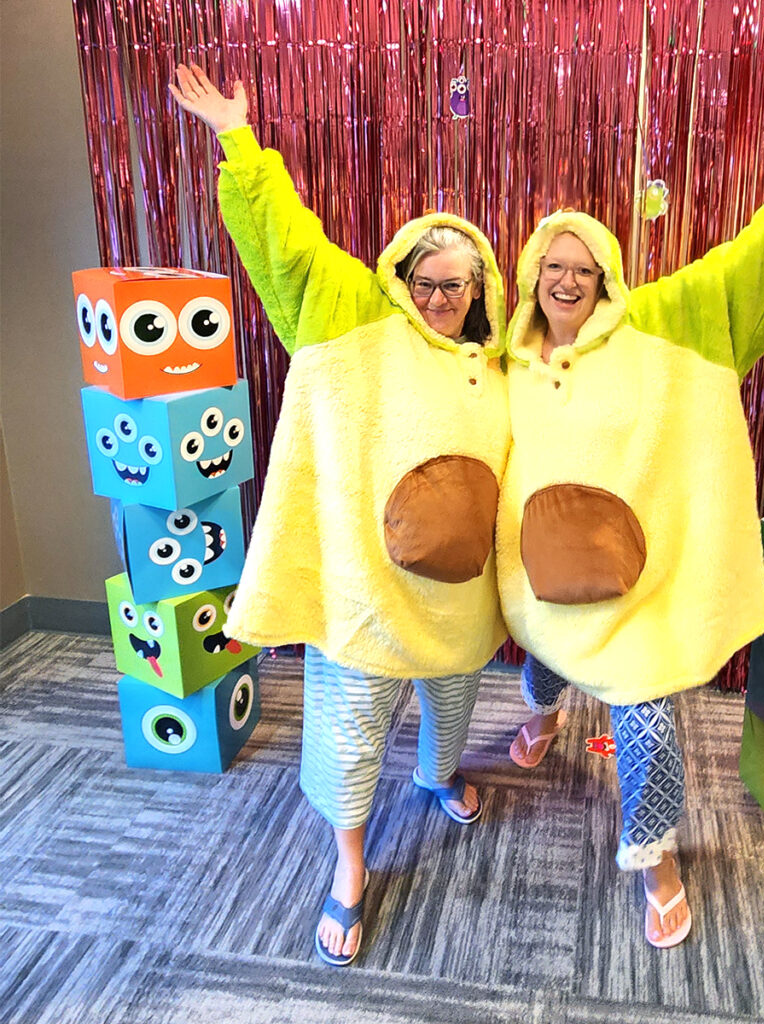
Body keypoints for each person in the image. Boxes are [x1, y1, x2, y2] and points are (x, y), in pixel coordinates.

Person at [498, 85, 764, 948]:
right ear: (531, 275)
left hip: (633, 582)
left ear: (604, 276)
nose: (566, 280)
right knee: (541, 660)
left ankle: (657, 855)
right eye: (551, 266)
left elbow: (743, 268)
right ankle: (542, 715)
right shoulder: (503, 354)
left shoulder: (661, 324)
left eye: (582, 266)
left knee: (644, 715)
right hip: (536, 576)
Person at [170, 64, 510, 967]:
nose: (439, 299)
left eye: (455, 286)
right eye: (425, 283)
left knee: (453, 706)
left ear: (480, 290)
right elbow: (290, 246)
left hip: (459, 600)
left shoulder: (500, 365)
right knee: (352, 737)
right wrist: (239, 142)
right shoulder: (353, 318)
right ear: (401, 277)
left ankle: (440, 780)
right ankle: (349, 870)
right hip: (369, 597)